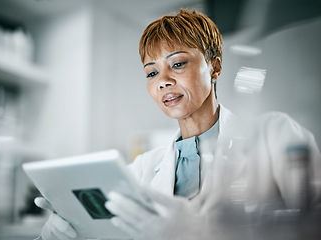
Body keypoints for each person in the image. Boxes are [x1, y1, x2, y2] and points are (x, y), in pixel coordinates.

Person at [35, 8, 321, 240]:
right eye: (151, 73)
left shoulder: (275, 134)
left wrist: (208, 233)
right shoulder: (141, 170)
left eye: (179, 63)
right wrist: (64, 232)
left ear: (215, 67)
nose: (163, 81)